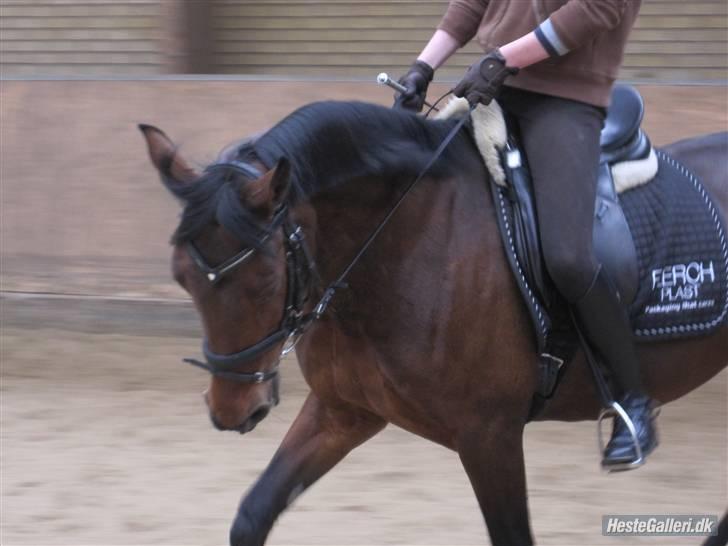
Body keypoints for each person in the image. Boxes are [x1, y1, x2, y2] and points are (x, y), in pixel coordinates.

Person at [394, 0, 657, 469]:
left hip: (564, 102)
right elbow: (473, 5)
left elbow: (596, 10)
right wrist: (422, 66)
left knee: (568, 256)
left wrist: (503, 59)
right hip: (494, 83)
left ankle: (633, 401)